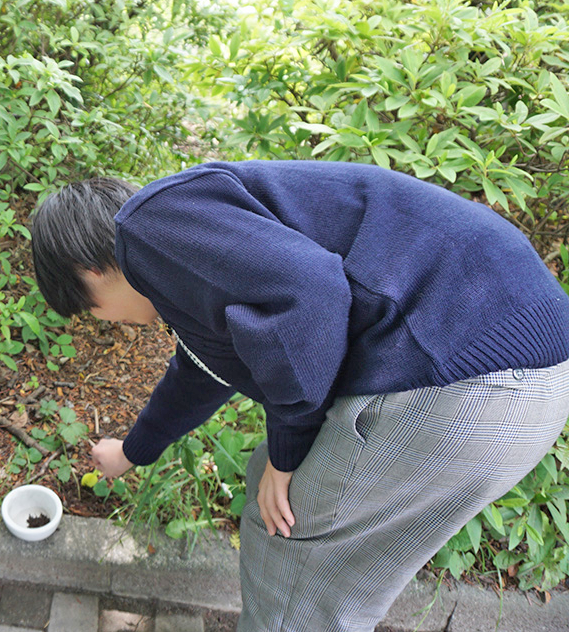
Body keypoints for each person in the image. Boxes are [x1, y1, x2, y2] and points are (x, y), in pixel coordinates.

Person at [30, 160, 569, 632]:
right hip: (526, 375)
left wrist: (288, 450)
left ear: (92, 270)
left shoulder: (147, 227)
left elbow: (309, 294)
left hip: (457, 373)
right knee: (327, 579)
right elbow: (203, 371)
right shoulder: (196, 245)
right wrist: (132, 452)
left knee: (289, 557)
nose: (108, 322)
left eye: (91, 308)